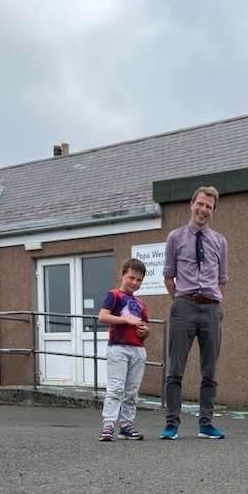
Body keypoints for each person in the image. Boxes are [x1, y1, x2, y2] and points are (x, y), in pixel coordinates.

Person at [160, 185, 228, 440]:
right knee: (175, 369)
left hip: (210, 309)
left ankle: (206, 424)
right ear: (192, 204)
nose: (203, 210)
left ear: (212, 211)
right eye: (200, 204)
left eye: (209, 206)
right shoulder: (175, 238)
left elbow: (222, 279)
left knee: (209, 371)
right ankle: (171, 424)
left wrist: (210, 300)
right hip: (184, 306)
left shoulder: (219, 241)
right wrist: (182, 300)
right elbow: (169, 276)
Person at [97, 257, 149, 442]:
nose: (134, 282)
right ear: (123, 275)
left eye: (139, 280)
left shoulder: (141, 304)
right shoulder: (114, 295)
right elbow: (103, 316)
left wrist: (144, 331)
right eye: (131, 277)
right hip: (118, 348)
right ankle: (108, 424)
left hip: (137, 349)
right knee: (116, 388)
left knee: (132, 390)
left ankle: (126, 425)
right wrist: (126, 320)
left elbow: (143, 329)